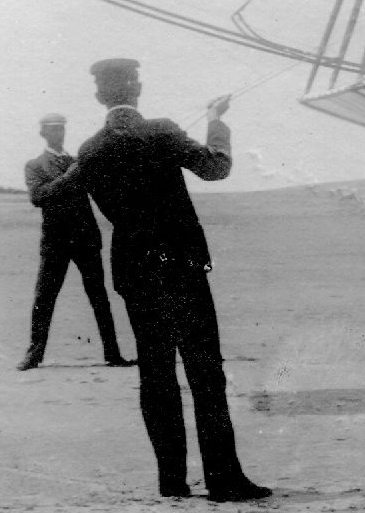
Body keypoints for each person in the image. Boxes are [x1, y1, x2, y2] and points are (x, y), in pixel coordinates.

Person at [59, 58, 271, 502]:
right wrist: (216, 121)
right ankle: (223, 478)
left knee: (156, 375)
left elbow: (62, 193)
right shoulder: (162, 130)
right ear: (139, 90)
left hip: (134, 270)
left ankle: (171, 480)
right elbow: (216, 168)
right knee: (205, 372)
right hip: (182, 265)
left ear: (100, 97)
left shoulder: (89, 149)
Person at [18, 113, 135, 371]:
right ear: (43, 134)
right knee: (44, 298)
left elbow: (101, 190)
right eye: (53, 130)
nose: (58, 134)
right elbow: (39, 196)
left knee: (99, 298)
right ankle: (34, 355)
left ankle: (112, 354)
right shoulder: (35, 165)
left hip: (86, 239)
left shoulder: (78, 162)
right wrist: (70, 176)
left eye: (61, 130)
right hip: (55, 242)